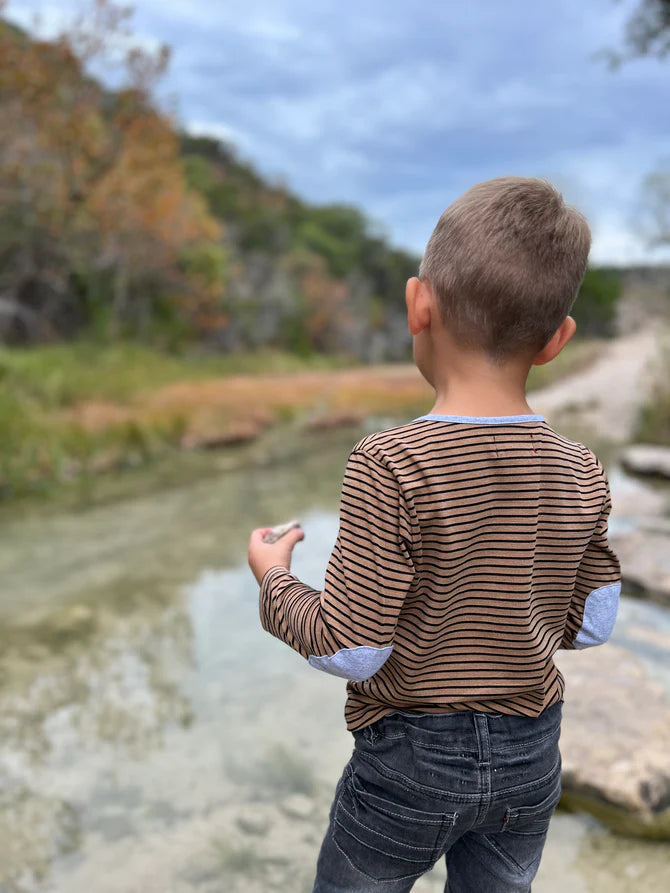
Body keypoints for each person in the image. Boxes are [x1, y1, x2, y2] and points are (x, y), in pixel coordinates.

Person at [247, 176, 621, 893]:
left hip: (409, 763)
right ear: (557, 341)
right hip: (532, 754)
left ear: (420, 305)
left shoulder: (389, 461)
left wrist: (274, 578)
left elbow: (352, 649)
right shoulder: (581, 467)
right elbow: (593, 624)